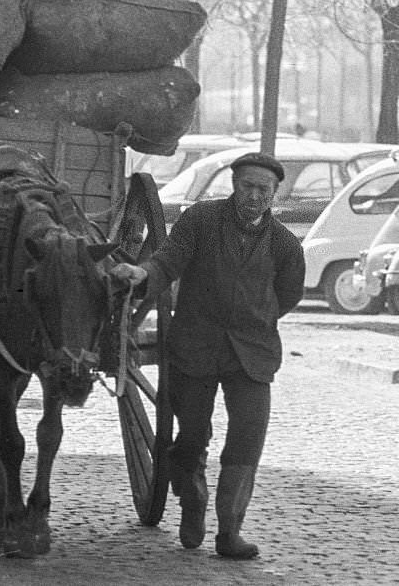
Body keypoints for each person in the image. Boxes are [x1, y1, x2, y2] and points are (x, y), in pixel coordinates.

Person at [111, 151, 305, 559]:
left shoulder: (286, 245)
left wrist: (253, 320)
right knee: (192, 436)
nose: (254, 195)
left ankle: (230, 533)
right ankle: (192, 499)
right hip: (195, 348)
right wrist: (143, 273)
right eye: (248, 186)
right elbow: (169, 261)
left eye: (263, 190)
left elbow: (288, 296)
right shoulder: (201, 220)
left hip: (252, 356)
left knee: (248, 438)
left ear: (274, 194)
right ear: (234, 185)